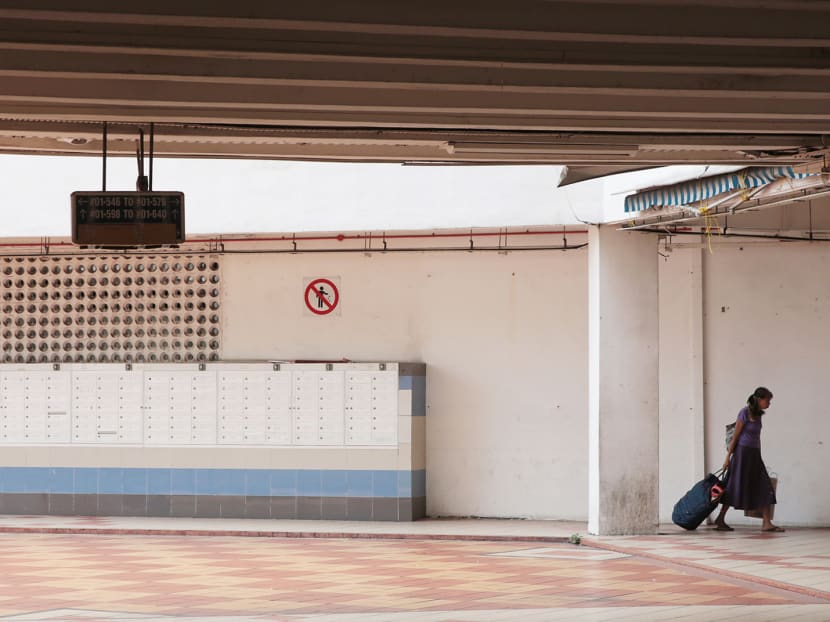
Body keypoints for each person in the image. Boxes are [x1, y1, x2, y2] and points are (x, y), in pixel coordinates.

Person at [714, 386, 783, 532]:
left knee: (763, 485)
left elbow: (756, 437)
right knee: (733, 485)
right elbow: (735, 437)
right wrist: (728, 458)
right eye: (767, 400)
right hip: (742, 454)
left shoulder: (758, 415)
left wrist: (758, 453)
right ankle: (720, 518)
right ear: (759, 399)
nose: (769, 403)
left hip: (754, 454)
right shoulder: (744, 412)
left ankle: (766, 523)